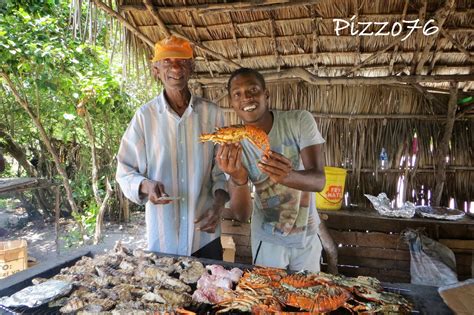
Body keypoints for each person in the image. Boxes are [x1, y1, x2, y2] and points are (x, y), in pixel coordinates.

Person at [116, 36, 230, 260]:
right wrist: (146, 186)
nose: (175, 67)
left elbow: (222, 172)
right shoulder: (144, 117)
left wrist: (217, 207)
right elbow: (124, 170)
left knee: (211, 294)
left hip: (205, 236)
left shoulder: (213, 114)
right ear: (156, 69)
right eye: (167, 61)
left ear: (192, 67)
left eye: (182, 61)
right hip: (163, 238)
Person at [218, 68, 326, 271]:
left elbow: (319, 181)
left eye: (253, 90)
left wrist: (289, 176)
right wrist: (238, 179)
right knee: (268, 300)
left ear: (266, 94)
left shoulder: (298, 121)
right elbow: (242, 214)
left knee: (307, 300)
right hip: (267, 241)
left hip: (307, 237)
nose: (246, 97)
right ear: (232, 103)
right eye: (237, 94)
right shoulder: (233, 142)